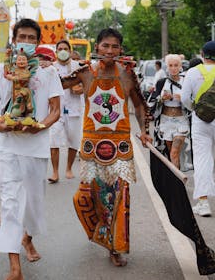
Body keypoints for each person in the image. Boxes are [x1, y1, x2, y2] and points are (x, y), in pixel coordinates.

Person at [60, 28, 152, 266]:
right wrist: (42, 68)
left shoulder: (128, 75)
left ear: (120, 49)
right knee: (85, 196)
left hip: (119, 144)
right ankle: (102, 233)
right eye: (105, 46)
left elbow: (139, 105)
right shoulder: (84, 72)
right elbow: (56, 86)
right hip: (91, 143)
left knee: (118, 196)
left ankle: (115, 246)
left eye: (115, 47)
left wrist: (144, 132)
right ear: (97, 47)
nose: (110, 51)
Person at [0, 18, 63, 280]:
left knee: (32, 206)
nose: (27, 42)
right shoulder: (1, 71)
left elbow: (56, 109)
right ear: (14, 39)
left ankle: (27, 238)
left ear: (38, 42)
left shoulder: (48, 73)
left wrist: (41, 126)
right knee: (10, 203)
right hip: (7, 146)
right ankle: (14, 267)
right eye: (23, 37)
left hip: (36, 146)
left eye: (32, 38)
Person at [181, 41, 215, 217]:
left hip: (201, 121)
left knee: (202, 159)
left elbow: (185, 98)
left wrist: (196, 109)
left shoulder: (193, 72)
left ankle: (203, 203)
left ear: (202, 54)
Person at [48, 39, 84, 183]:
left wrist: (79, 89)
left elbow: (85, 86)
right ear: (56, 52)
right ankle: (55, 172)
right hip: (56, 110)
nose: (62, 51)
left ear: (70, 51)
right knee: (53, 141)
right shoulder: (51, 68)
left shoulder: (78, 67)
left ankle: (68, 168)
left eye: (65, 48)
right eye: (60, 49)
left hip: (74, 109)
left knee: (74, 140)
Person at [153, 54, 190, 169]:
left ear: (180, 67)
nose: (173, 68)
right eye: (170, 65)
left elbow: (194, 102)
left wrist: (183, 98)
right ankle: (175, 181)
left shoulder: (186, 81)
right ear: (167, 67)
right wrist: (161, 99)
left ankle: (177, 184)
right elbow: (152, 101)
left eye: (176, 65)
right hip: (165, 121)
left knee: (174, 152)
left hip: (181, 121)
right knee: (171, 154)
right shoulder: (162, 82)